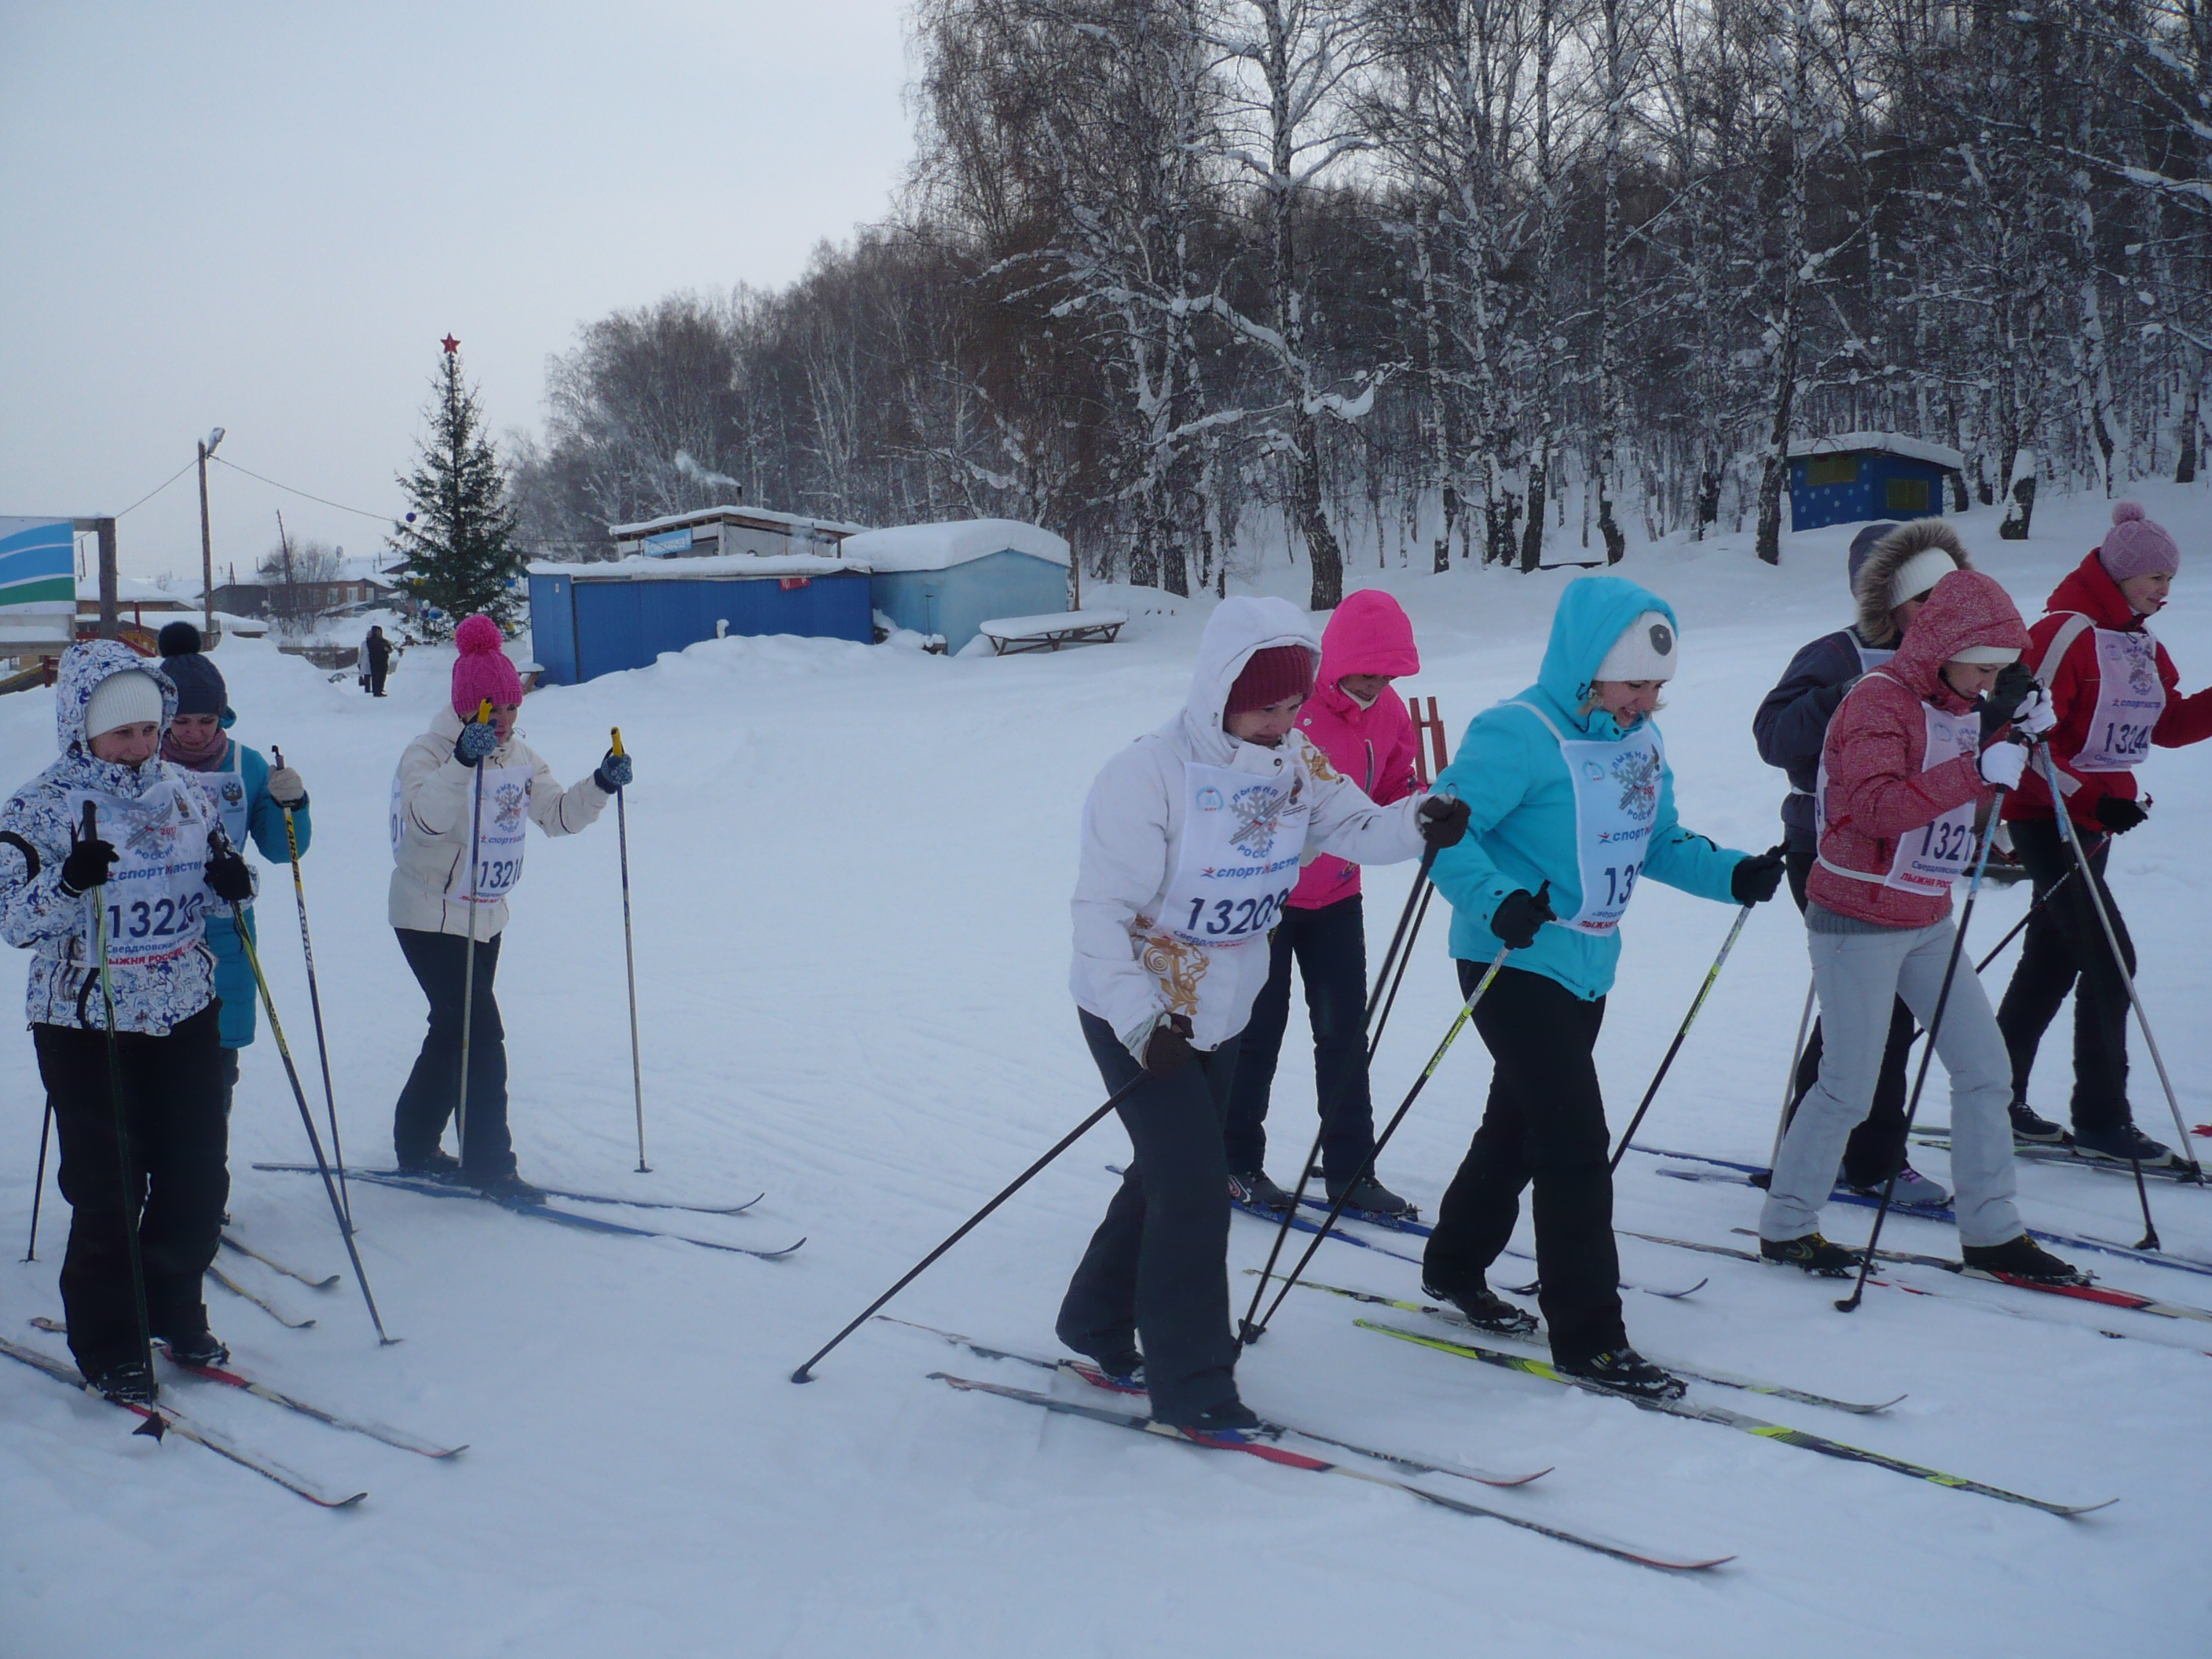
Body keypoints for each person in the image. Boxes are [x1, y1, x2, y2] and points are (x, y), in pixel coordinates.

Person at [1060, 595, 1467, 1432]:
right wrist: (1140, 1021)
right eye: (1268, 706)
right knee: (1194, 1190)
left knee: (1165, 1176)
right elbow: (1099, 916)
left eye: (1293, 704)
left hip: (1221, 1009)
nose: (1285, 722)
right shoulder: (1146, 775)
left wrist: (1418, 821)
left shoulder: (1295, 764)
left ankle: (1093, 1321)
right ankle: (1194, 1386)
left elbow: (1356, 822)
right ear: (1218, 693)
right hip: (1132, 1014)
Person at [1420, 578, 1782, 1400]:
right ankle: (1587, 1336)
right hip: (1510, 962)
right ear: (1587, 672)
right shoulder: (1517, 731)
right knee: (1574, 1145)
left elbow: (1656, 842)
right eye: (1633, 686)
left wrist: (1731, 874)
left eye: (1657, 688)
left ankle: (1451, 1264)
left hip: (1588, 964)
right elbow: (1442, 827)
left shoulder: (1638, 745)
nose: (1646, 702)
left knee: (1516, 1126)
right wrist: (1495, 897)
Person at [1760, 569, 2081, 1284]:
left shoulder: (1960, 704)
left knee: (1985, 1070)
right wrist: (1978, 769)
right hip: (1858, 917)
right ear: (1942, 646)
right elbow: (1874, 809)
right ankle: (1788, 1226)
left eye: (2001, 671)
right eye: (1983, 668)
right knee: (1848, 1082)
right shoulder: (1878, 702)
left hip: (1928, 911)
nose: (1988, 682)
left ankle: (1993, 1233)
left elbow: (1958, 798)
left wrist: (2015, 743)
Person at [0, 642, 257, 1401]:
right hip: (86, 1020)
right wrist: (69, 884)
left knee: (196, 1178)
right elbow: (12, 921)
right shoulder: (37, 806)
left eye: (149, 729)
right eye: (121, 733)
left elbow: (213, 900)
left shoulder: (186, 792)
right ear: (82, 728)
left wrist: (230, 885)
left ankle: (174, 1309)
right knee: (111, 1188)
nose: (139, 746)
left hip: (183, 1005)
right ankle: (110, 1342)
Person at [1750, 520, 1969, 1209]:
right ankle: (1868, 1159)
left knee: (1869, 1010)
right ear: (1880, 595)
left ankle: (1824, 1147)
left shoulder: (1955, 662)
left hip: (1910, 852)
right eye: (1920, 595)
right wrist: (1846, 696)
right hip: (1826, 846)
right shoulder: (1839, 653)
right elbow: (1773, 737)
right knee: (1879, 1009)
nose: (1935, 610)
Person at [1995, 501, 2212, 1165]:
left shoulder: (2140, 641)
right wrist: (2090, 798)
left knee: (2053, 961)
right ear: (2118, 574)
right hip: (2047, 818)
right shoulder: (2063, 632)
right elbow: (2029, 738)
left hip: (2094, 820)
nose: (2164, 592)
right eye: (2154, 579)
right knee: (2113, 961)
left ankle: (1994, 1100)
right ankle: (2100, 1118)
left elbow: (2166, 726)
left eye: (2170, 581)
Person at [387, 614, 632, 1199]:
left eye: (511, 711)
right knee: (480, 1035)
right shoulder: (426, 754)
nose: (502, 724)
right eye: (491, 713)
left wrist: (600, 783)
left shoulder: (517, 754)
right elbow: (425, 826)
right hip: (427, 914)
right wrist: (462, 763)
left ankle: (415, 1144)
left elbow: (558, 816)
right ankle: (490, 1165)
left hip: (485, 916)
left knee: (452, 1034)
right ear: (467, 708)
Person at [1222, 588, 1424, 1219]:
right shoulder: (1293, 711)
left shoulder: (1390, 713)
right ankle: (1236, 1164)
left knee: (1343, 1035)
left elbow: (1394, 788)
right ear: (1338, 661)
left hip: (1339, 899)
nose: (1376, 686)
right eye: (1367, 674)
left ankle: (1350, 1171)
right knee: (1258, 1035)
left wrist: (1424, 811)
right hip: (1268, 907)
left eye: (1388, 676)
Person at [155, 623, 309, 1115]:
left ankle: (202, 1182)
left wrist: (294, 805)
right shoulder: (142, 761)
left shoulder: (248, 764)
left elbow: (282, 851)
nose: (195, 733)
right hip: (157, 934)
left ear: (222, 714)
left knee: (215, 1076)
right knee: (155, 1072)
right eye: (181, 723)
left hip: (226, 932)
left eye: (206, 720)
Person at [364, 624, 394, 697]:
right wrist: (382, 648)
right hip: (375, 661)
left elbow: (390, 649)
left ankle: (380, 689)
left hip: (383, 661)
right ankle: (376, 691)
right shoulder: (371, 641)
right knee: (376, 676)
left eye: (380, 631)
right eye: (377, 631)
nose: (379, 633)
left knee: (382, 676)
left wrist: (388, 649)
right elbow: (374, 648)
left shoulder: (384, 640)